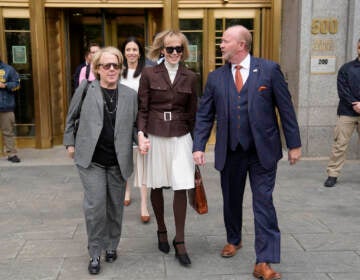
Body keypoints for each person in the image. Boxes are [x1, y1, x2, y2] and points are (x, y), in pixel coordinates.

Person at [192, 25, 301, 279]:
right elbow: (205, 114)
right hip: (230, 151)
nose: (221, 45)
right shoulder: (216, 78)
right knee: (231, 199)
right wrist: (199, 145)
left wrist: (294, 143)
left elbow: (286, 109)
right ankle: (234, 238)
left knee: (263, 203)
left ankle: (264, 260)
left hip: (263, 151)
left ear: (241, 45)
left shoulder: (269, 70)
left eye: (225, 41)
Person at [63, 46, 140, 275]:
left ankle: (111, 246)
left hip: (118, 160)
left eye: (116, 65)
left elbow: (135, 125)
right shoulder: (87, 89)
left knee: (115, 207)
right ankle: (95, 252)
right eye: (107, 65)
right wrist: (70, 142)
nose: (112, 69)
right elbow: (71, 116)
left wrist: (142, 140)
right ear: (97, 68)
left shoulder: (129, 95)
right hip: (91, 160)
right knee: (96, 206)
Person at [137, 30, 198, 266]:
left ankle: (180, 240)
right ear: (162, 50)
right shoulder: (149, 73)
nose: (174, 53)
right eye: (170, 48)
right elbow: (142, 108)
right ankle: (161, 229)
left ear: (183, 51)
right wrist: (141, 134)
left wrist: (198, 145)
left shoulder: (191, 76)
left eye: (179, 49)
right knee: (156, 183)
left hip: (181, 135)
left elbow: (194, 112)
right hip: (155, 133)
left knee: (181, 185)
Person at [120, 37, 150, 223]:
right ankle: (127, 191)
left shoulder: (146, 72)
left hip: (141, 122)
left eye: (134, 49)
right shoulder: (118, 71)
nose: (131, 52)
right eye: (128, 49)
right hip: (122, 122)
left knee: (142, 164)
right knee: (124, 160)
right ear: (124, 52)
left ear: (139, 53)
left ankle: (144, 205)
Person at [324, 38, 360, 188]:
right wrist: (355, 104)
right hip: (347, 112)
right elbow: (342, 90)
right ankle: (332, 174)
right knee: (340, 145)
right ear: (357, 47)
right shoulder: (346, 68)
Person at [0, 54, 21, 163]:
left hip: (5, 107)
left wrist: (5, 85)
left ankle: (11, 154)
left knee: (8, 132)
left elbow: (17, 84)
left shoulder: (9, 69)